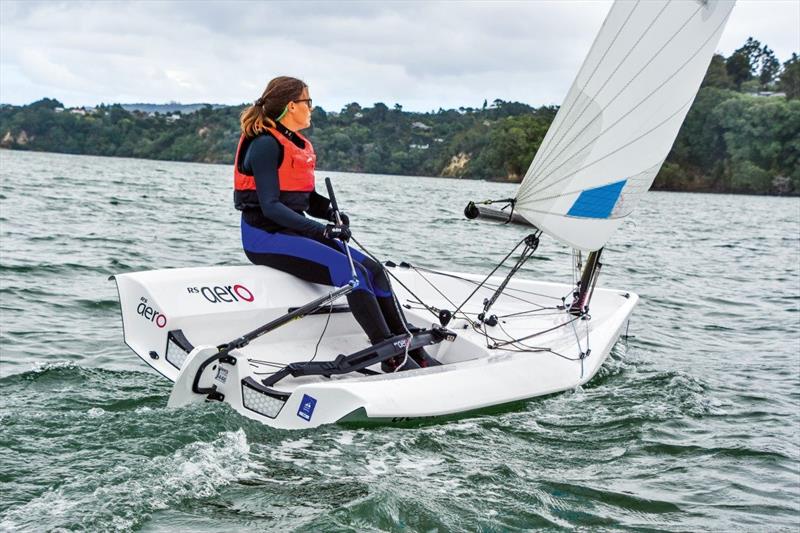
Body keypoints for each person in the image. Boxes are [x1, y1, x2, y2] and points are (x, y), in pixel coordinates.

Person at [234, 76, 438, 371]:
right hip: (263, 236)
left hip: (292, 229)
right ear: (292, 106)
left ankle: (404, 342)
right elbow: (271, 207)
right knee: (350, 272)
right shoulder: (265, 144)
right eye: (308, 102)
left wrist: (330, 212)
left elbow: (303, 198)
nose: (311, 108)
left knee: (376, 271)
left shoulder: (293, 142)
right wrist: (322, 229)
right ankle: (388, 354)